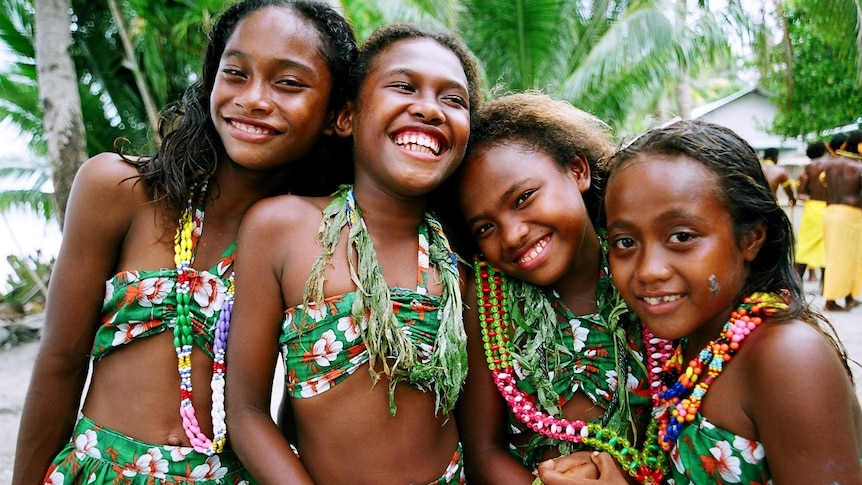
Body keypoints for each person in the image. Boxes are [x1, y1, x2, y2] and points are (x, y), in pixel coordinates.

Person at [12, 1, 357, 483]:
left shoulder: (320, 240)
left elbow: (302, 405)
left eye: (289, 83)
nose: (253, 98)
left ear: (336, 115)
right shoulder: (119, 192)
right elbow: (60, 364)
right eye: (235, 73)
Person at [223, 23, 482, 484]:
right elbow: (245, 413)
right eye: (403, 86)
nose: (428, 108)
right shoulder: (281, 227)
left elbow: (479, 431)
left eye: (453, 99)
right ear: (346, 118)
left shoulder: (461, 253)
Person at [553, 120, 862, 484]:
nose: (649, 270)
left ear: (751, 237)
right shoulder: (698, 345)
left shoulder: (788, 356)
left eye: (682, 236)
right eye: (625, 242)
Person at [451, 92, 657, 484]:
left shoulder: (643, 275)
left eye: (524, 197)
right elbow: (483, 451)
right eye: (485, 228)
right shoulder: (488, 300)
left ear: (578, 170)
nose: (512, 235)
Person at [823, 130, 862, 311]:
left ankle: (848, 297)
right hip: (850, 216)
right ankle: (831, 300)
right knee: (848, 258)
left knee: (837, 256)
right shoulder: (858, 167)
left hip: (830, 212)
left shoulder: (831, 165)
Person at [793, 140, 830, 282]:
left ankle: (796, 283)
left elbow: (801, 193)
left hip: (812, 209)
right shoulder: (834, 164)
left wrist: (812, 197)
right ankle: (825, 286)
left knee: (805, 246)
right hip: (830, 207)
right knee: (827, 247)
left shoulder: (809, 168)